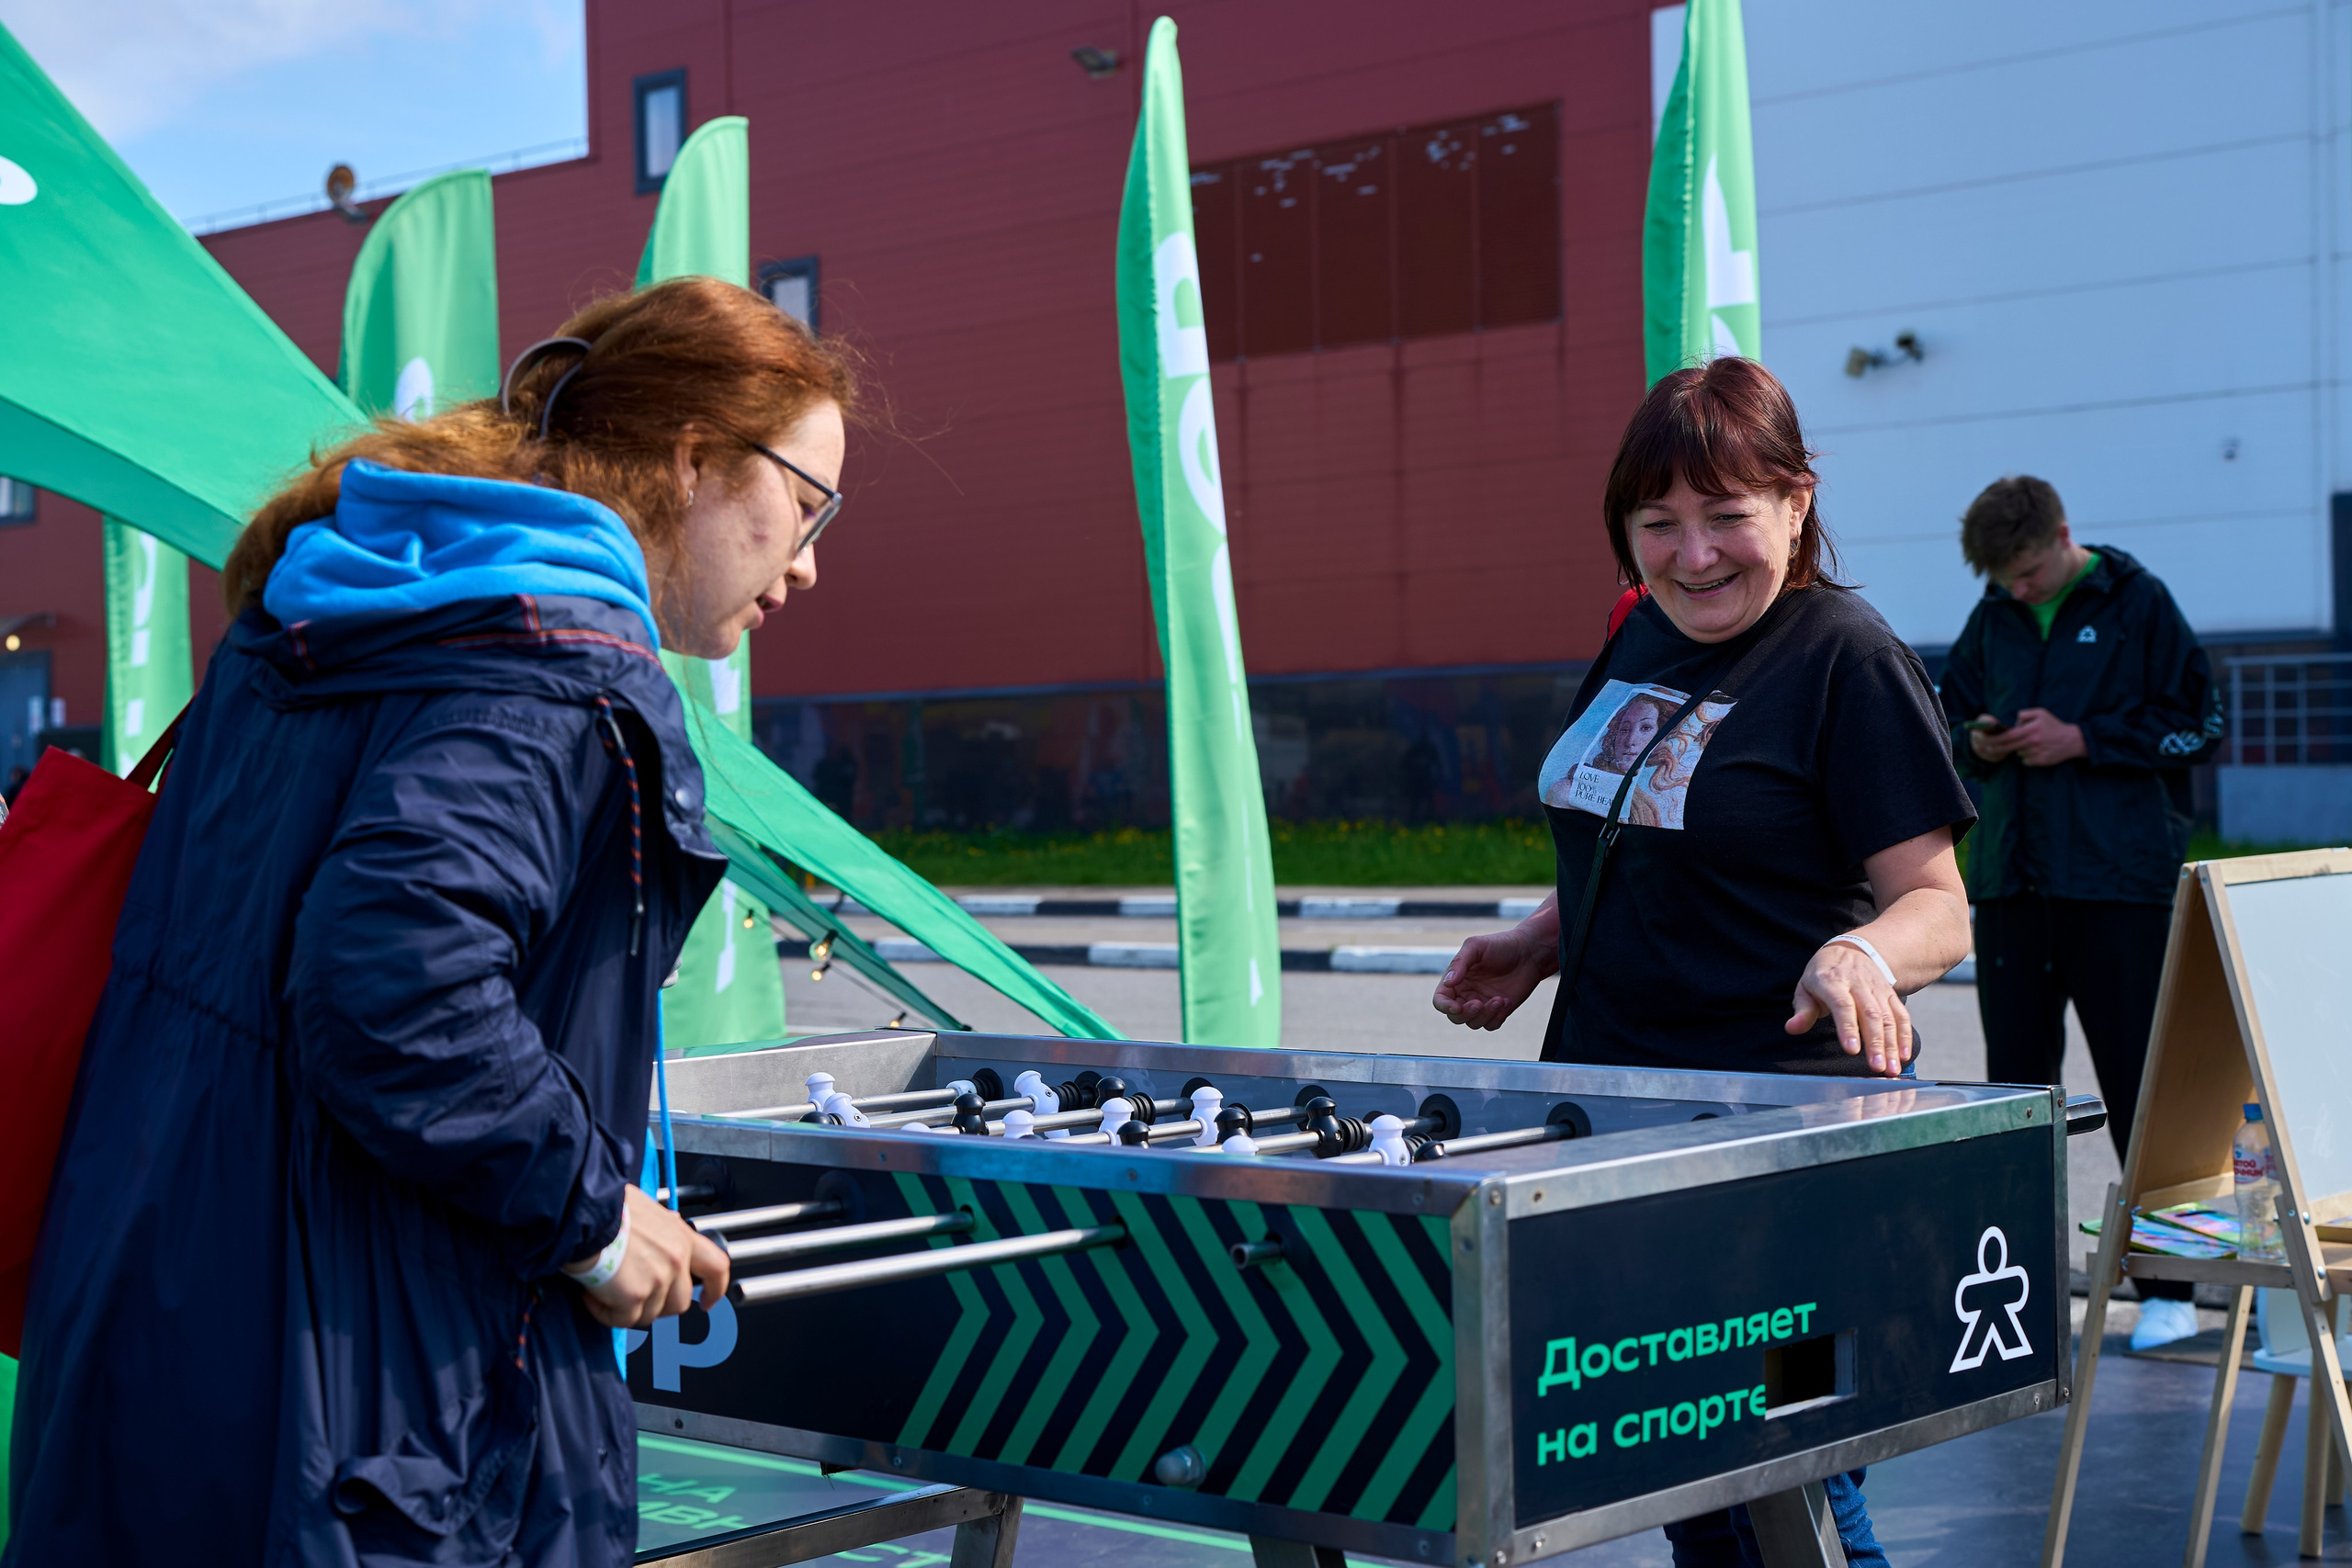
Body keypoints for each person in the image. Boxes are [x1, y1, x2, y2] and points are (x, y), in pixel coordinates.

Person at [6, 277, 854, 1565]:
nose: (807, 562)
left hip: (159, 1339)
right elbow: (392, 985)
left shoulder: (323, 621)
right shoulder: (551, 670)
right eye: (805, 503)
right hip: (372, 1428)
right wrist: (595, 1218)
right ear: (693, 459)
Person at [1431, 357, 1976, 1566]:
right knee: (1687, 1471)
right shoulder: (1643, 633)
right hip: (1621, 1127)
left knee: (1797, 1482)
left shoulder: (1845, 658)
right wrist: (1542, 937)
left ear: (1795, 499)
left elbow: (1938, 908)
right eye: (1658, 523)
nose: (1693, 555)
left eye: (1726, 514)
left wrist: (1858, 951)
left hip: (1784, 1148)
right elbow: (1645, 829)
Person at [1939, 475, 2222, 1351]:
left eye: (2028, 572)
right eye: (2005, 579)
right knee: (2016, 1098)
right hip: (2012, 886)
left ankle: (2170, 1289)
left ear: (2064, 534)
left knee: (2142, 1090)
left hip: (2118, 887)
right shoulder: (1993, 615)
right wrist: (1977, 742)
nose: (2019, 589)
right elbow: (1946, 725)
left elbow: (2202, 723)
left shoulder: (2139, 602)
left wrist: (2085, 740)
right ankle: (2018, 1293)